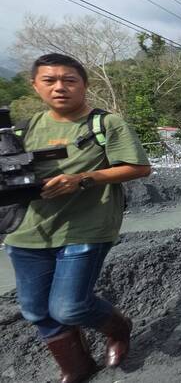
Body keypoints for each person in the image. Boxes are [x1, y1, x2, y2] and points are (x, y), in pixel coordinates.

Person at [4, 53, 151, 383]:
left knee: (69, 307)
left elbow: (140, 168)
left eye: (69, 80)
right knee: (35, 309)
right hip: (28, 231)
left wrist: (83, 179)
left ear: (84, 85)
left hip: (87, 227)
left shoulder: (105, 124)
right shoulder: (25, 129)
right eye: (49, 81)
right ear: (35, 86)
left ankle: (119, 327)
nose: (59, 87)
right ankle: (76, 366)